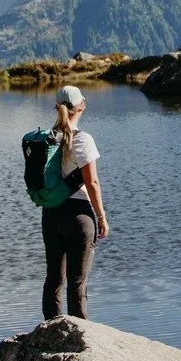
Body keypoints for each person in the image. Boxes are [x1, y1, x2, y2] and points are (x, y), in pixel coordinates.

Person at [41, 84, 108, 320]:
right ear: (80, 107)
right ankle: (80, 336)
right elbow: (92, 183)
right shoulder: (82, 139)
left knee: (54, 279)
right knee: (77, 282)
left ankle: (50, 331)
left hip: (50, 214)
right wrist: (101, 217)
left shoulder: (46, 139)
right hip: (78, 215)